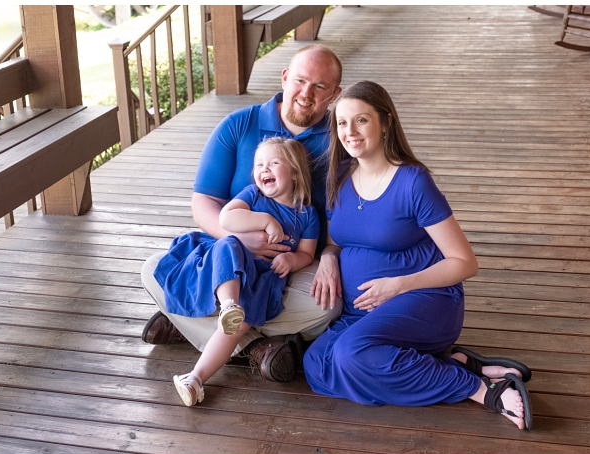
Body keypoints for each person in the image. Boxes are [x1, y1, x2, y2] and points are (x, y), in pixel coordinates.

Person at [301, 80, 533, 430]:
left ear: (386, 122)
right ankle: (450, 364)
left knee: (351, 356)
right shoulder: (340, 177)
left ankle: (480, 388)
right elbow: (338, 238)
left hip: (424, 299)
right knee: (317, 363)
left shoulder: (412, 182)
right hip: (361, 311)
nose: (350, 132)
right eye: (342, 123)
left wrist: (398, 286)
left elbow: (464, 262)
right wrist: (330, 257)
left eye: (361, 120)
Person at [141, 44, 345, 382]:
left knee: (327, 306)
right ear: (284, 78)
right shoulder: (240, 124)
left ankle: (188, 321)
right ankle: (256, 347)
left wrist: (329, 256)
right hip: (230, 257)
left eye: (320, 86)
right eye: (299, 81)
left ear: (334, 94)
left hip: (294, 263)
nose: (306, 93)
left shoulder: (340, 140)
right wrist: (239, 239)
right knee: (152, 269)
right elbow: (204, 201)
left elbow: (352, 213)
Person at [157, 138, 320, 406]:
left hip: (261, 277)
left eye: (274, 163)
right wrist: (264, 219)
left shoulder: (306, 214)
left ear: (294, 171)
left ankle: (196, 379)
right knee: (229, 244)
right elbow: (226, 218)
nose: (263, 169)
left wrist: (291, 260)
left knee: (237, 326)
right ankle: (229, 304)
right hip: (230, 262)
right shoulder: (253, 195)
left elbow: (307, 253)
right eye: (259, 164)